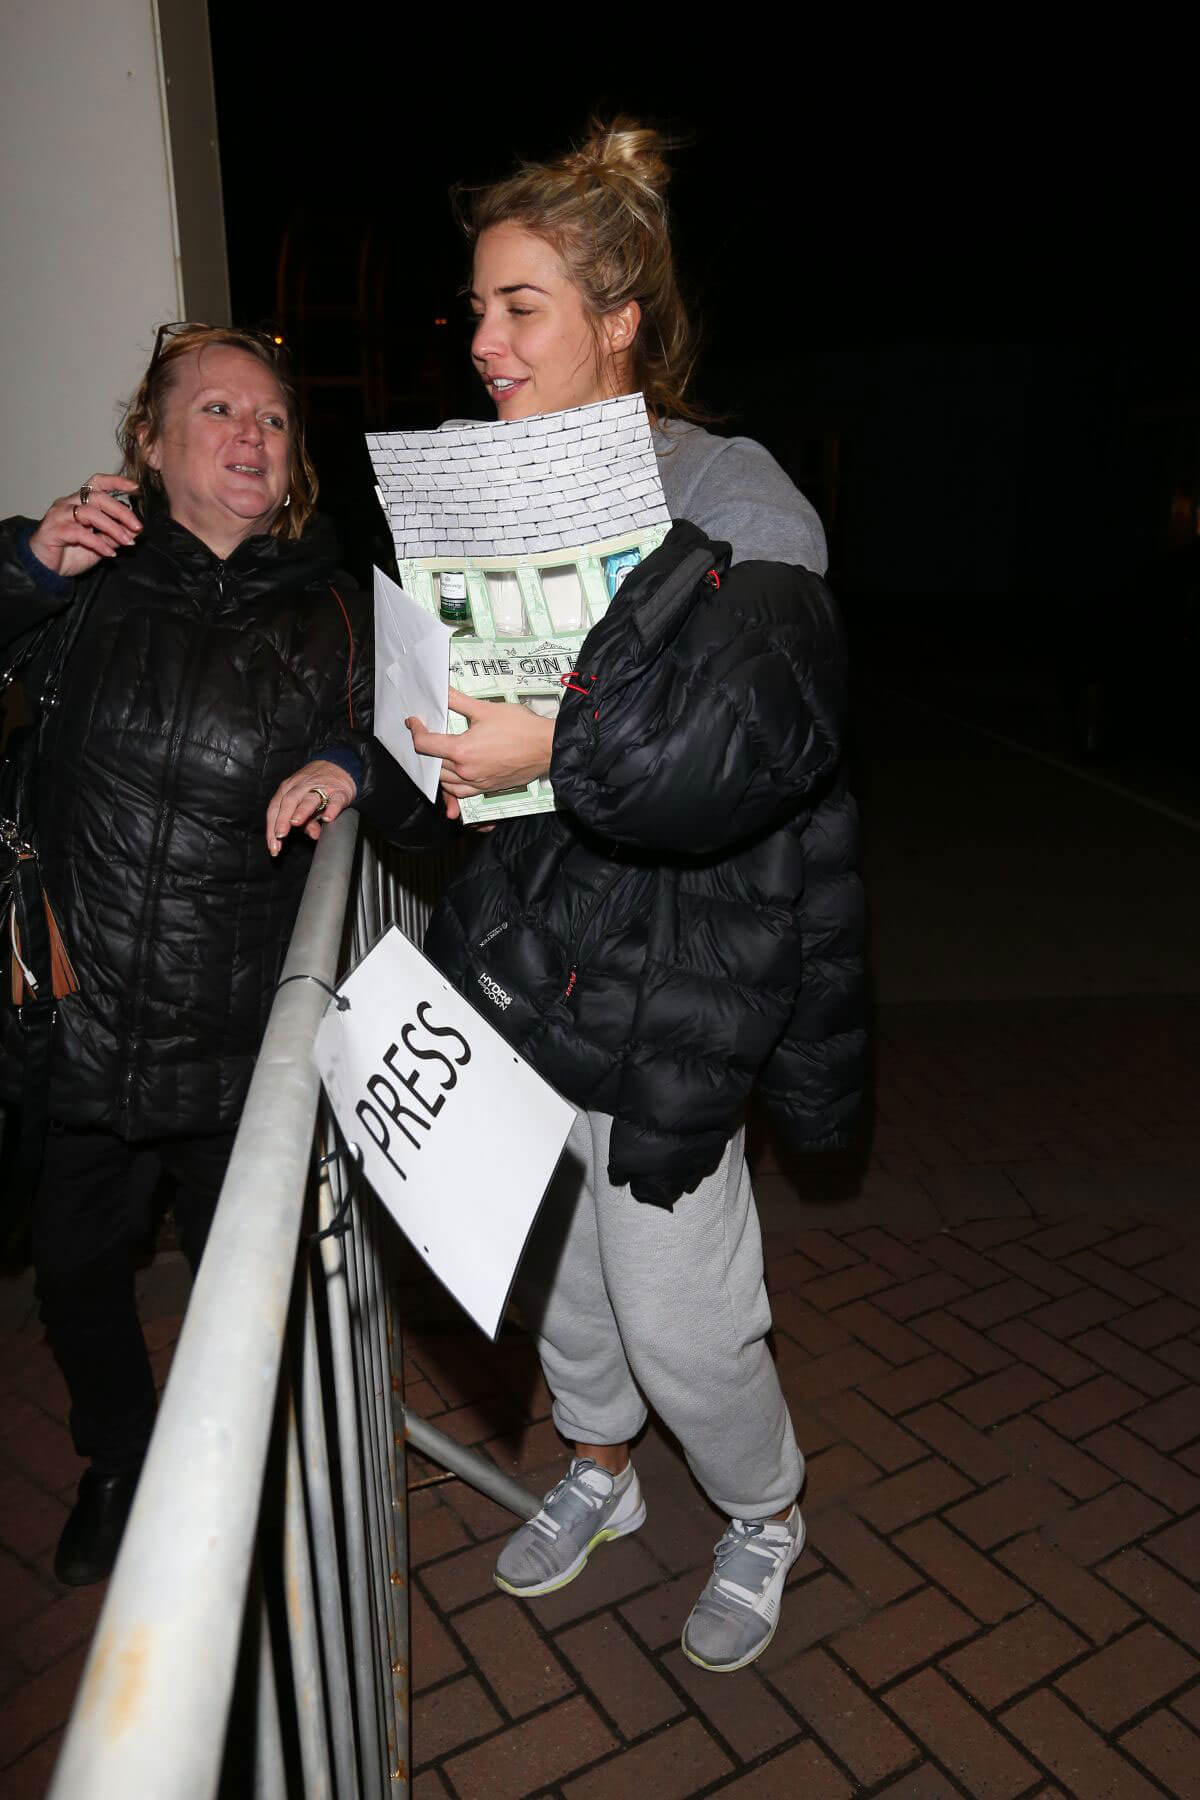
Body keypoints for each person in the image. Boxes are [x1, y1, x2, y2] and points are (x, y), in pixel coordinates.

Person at [275, 121, 866, 1673]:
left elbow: (754, 735)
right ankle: (599, 1468)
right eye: (474, 311)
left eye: (519, 306)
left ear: (621, 320)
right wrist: (378, 764)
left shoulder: (738, 495)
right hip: (541, 960)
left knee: (681, 1310)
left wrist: (564, 738)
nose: (482, 342)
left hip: (689, 970)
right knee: (572, 1287)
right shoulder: (485, 492)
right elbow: (447, 711)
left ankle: (763, 1511)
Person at [0, 324, 391, 1584]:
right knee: (76, 1277)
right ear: (151, 444)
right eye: (216, 411)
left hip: (241, 1053)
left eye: (273, 419)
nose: (249, 436)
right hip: (82, 1028)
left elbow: (431, 745)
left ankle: (236, 1493)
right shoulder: (86, 580)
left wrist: (355, 761)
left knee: (243, 1303)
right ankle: (119, 1457)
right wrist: (24, 566)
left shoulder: (339, 606)